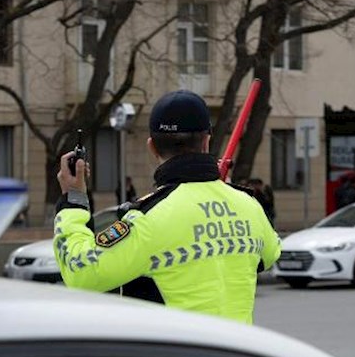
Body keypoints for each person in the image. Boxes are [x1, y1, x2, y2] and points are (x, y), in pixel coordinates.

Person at [52, 89, 281, 325]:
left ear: (152, 147)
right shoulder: (248, 205)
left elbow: (80, 273)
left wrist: (73, 199)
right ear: (207, 141)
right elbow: (271, 253)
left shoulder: (148, 219)